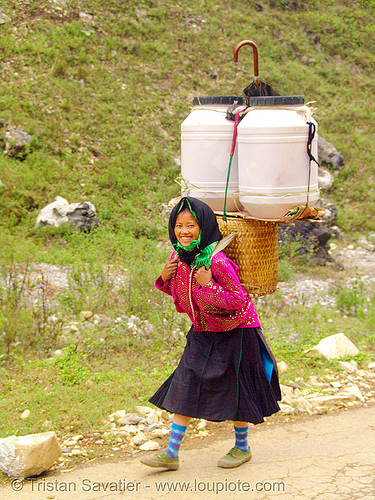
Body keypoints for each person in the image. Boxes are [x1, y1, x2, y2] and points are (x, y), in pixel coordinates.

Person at [140, 197, 281, 471]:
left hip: (237, 331)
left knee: (237, 389)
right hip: (204, 330)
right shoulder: (179, 259)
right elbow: (186, 297)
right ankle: (170, 453)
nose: (184, 231)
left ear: (203, 227)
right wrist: (165, 278)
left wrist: (208, 285)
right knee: (186, 382)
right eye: (178, 225)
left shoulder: (216, 262)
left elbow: (238, 300)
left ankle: (242, 448)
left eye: (191, 225)